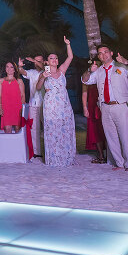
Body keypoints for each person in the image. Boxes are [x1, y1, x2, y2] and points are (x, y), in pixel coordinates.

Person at [81, 43, 128, 171]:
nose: (103, 55)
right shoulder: (98, 71)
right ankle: (119, 163)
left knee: (126, 135)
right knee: (111, 136)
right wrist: (88, 70)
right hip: (105, 107)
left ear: (111, 53)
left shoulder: (122, 66)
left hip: (121, 105)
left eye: (106, 52)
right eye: (100, 53)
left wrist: (127, 62)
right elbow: (85, 80)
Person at [35, 37, 75, 167]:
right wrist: (42, 78)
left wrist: (68, 44)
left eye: (56, 58)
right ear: (47, 61)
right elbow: (38, 88)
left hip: (64, 105)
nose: (55, 60)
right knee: (53, 131)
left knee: (65, 130)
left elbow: (70, 57)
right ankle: (54, 159)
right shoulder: (44, 73)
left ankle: (66, 158)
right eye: (51, 58)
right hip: (51, 105)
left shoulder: (62, 70)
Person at [18, 55, 45, 157]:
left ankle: (49, 150)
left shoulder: (46, 71)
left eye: (39, 61)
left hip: (46, 104)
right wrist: (20, 67)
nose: (36, 63)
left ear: (44, 61)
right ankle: (36, 152)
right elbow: (23, 72)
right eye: (35, 61)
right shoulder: (32, 72)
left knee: (47, 128)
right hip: (33, 104)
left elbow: (42, 67)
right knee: (34, 129)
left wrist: (34, 60)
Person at [82, 76, 106, 164]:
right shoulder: (87, 76)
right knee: (96, 130)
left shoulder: (103, 72)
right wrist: (85, 107)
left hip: (104, 103)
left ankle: (109, 155)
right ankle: (101, 155)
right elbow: (84, 93)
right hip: (93, 106)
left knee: (106, 129)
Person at [0, 62, 25, 134]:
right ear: (5, 69)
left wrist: (22, 110)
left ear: (14, 69)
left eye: (11, 67)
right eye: (7, 66)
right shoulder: (1, 81)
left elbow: (22, 95)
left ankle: (18, 145)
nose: (9, 69)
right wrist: (0, 107)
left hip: (17, 108)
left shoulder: (19, 81)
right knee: (7, 129)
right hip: (6, 108)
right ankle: (9, 145)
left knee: (17, 129)